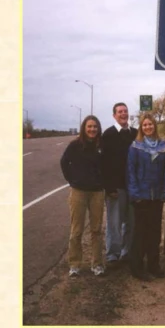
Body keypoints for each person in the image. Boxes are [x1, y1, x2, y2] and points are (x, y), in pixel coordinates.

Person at [126, 113, 165, 281]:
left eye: (150, 124)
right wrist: (135, 194)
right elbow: (131, 172)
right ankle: (137, 267)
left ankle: (154, 265)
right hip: (141, 196)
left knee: (154, 233)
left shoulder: (163, 146)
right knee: (140, 233)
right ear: (141, 127)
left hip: (157, 197)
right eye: (144, 125)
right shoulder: (136, 147)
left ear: (154, 126)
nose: (147, 127)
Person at [60, 115, 106, 277]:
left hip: (97, 193)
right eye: (89, 126)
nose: (92, 129)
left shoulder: (102, 146)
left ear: (98, 128)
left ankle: (97, 264)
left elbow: (107, 166)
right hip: (78, 192)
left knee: (96, 230)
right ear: (84, 128)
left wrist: (102, 182)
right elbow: (64, 162)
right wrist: (72, 180)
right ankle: (74, 264)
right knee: (76, 230)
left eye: (95, 127)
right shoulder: (75, 146)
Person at [101, 102, 138, 267]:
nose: (123, 114)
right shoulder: (108, 135)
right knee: (114, 223)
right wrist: (109, 187)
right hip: (116, 187)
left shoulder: (135, 134)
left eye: (125, 111)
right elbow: (103, 164)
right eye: (120, 112)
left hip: (133, 187)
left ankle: (126, 252)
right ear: (114, 115)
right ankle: (113, 255)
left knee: (131, 222)